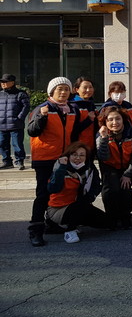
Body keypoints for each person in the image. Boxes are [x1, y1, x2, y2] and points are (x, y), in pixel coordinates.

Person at [26, 77, 80, 247]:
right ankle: (36, 230)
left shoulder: (71, 109)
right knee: (43, 194)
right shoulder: (43, 108)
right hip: (45, 158)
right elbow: (32, 131)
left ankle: (51, 223)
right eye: (59, 89)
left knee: (58, 191)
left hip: (63, 157)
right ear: (51, 92)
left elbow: (74, 133)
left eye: (66, 89)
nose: (63, 92)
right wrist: (42, 117)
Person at [46, 141, 109, 243]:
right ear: (68, 156)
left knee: (107, 223)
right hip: (58, 209)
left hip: (81, 205)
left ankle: (74, 223)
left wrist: (90, 197)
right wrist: (61, 168)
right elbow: (53, 188)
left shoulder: (90, 168)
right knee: (79, 205)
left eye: (82, 155)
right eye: (74, 155)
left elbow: (96, 186)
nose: (78, 158)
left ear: (86, 157)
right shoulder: (60, 168)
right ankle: (69, 231)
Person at [96, 106, 132, 230]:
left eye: (118, 119)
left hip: (127, 166)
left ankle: (125, 217)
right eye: (110, 120)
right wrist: (104, 139)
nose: (114, 122)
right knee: (111, 190)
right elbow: (103, 156)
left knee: (125, 188)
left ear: (123, 119)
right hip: (109, 166)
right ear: (105, 122)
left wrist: (128, 174)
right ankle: (112, 218)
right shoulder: (101, 134)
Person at [0, 73, 30, 170]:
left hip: (16, 124)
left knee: (17, 144)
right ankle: (7, 161)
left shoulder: (21, 94)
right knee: (2, 144)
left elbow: (26, 106)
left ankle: (19, 161)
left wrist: (20, 118)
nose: (3, 83)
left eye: (5, 82)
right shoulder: (0, 94)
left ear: (12, 82)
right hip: (2, 124)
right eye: (2, 82)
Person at [71, 76, 98, 154]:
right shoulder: (73, 106)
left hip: (91, 146)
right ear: (77, 89)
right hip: (78, 148)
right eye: (85, 88)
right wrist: (88, 120)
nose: (88, 90)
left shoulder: (91, 104)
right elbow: (72, 129)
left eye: (90, 87)